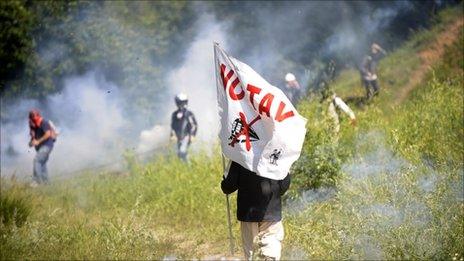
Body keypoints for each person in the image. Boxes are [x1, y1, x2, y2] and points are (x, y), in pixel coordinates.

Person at [221, 161, 291, 260]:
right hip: (271, 211)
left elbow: (228, 187)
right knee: (271, 242)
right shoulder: (277, 151)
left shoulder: (240, 153)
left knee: (251, 251)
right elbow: (284, 186)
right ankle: (269, 257)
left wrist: (225, 180)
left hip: (248, 212)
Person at [28, 109, 55, 185]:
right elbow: (34, 138)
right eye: (30, 117)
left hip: (47, 145)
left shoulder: (44, 122)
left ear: (37, 115)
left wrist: (38, 141)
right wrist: (31, 142)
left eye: (32, 117)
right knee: (42, 164)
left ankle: (36, 181)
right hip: (41, 147)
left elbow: (48, 134)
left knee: (37, 160)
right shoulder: (34, 125)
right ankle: (47, 183)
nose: (31, 119)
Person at [170, 93, 197, 161]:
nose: (182, 104)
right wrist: (173, 135)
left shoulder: (189, 113)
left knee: (182, 151)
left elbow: (194, 125)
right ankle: (187, 167)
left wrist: (192, 135)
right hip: (179, 138)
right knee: (180, 154)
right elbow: (173, 127)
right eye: (180, 102)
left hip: (187, 136)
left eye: (183, 102)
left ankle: (189, 167)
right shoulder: (174, 114)